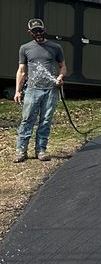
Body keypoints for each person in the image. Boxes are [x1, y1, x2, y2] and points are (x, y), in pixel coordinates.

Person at [13, 19, 67, 162]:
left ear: (44, 30)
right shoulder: (25, 48)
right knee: (27, 120)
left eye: (40, 30)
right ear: (30, 32)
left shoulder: (55, 47)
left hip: (51, 90)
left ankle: (41, 150)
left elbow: (63, 66)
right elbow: (22, 71)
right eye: (35, 31)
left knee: (45, 120)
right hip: (32, 90)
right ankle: (21, 151)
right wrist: (18, 91)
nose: (38, 33)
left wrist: (60, 77)